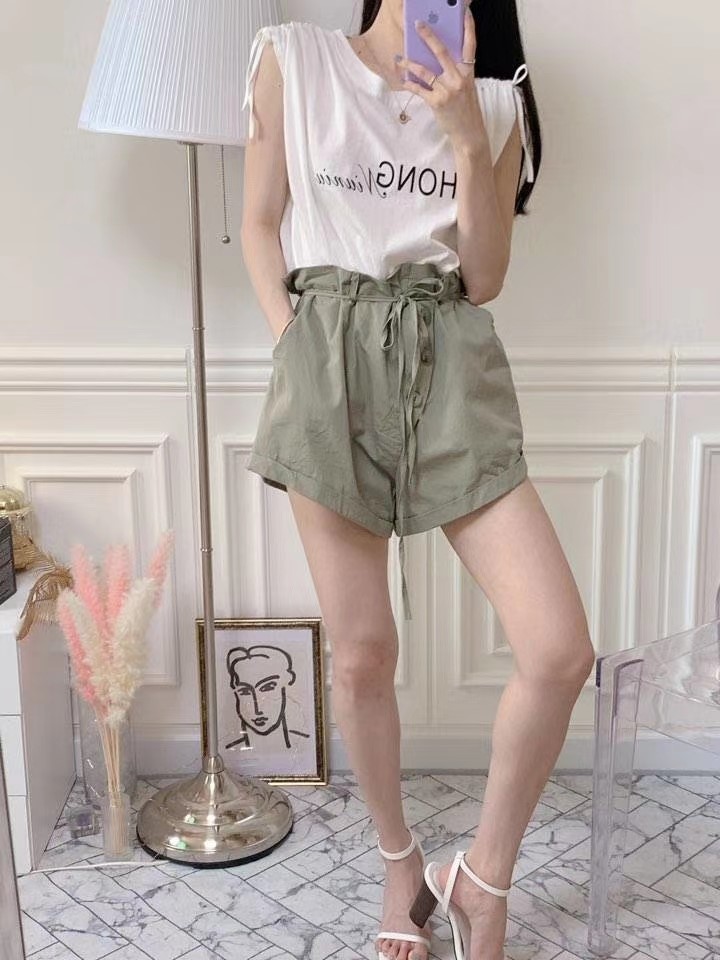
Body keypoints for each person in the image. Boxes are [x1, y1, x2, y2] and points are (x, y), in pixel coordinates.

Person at [241, 2, 595, 958]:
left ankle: (481, 878)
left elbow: (484, 277)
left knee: (560, 649)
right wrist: (298, 347)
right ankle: (400, 863)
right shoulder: (294, 61)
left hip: (450, 368)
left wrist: (467, 134)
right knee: (363, 652)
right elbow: (260, 223)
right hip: (328, 368)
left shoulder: (496, 104)